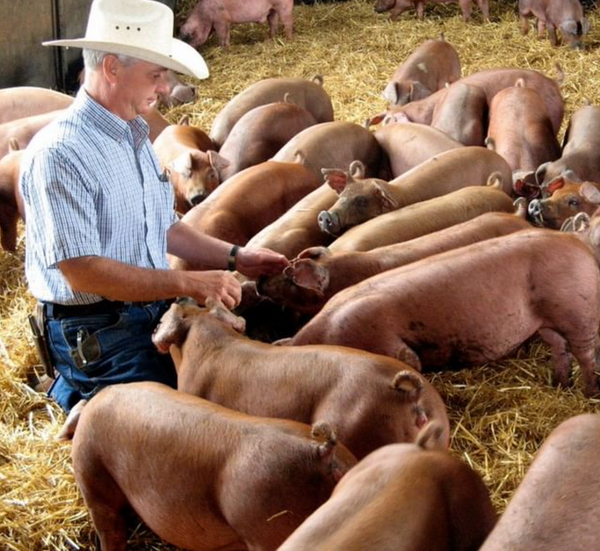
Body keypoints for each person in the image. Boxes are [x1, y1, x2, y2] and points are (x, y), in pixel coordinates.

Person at [19, 0, 289, 412]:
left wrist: (238, 257)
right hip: (93, 325)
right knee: (190, 419)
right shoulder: (60, 153)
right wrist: (189, 284)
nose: (164, 87)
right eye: (156, 75)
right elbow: (81, 272)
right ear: (112, 68)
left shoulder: (134, 135)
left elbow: (164, 227)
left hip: (152, 307)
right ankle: (78, 395)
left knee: (236, 384)